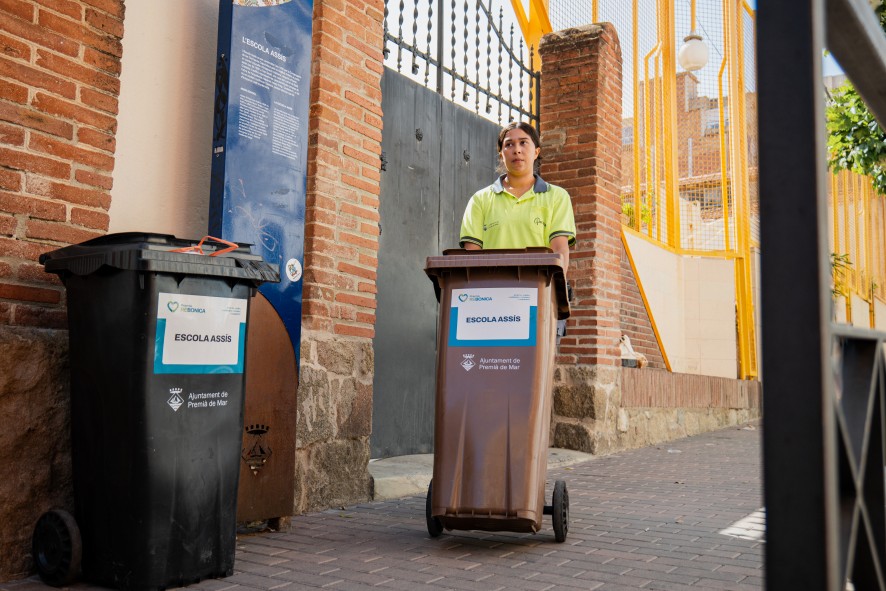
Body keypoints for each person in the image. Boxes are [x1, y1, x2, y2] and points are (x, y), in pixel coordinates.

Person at [459, 121, 576, 338]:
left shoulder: (556, 197)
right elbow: (471, 257)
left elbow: (560, 252)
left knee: (532, 369)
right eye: (509, 144)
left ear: (536, 151)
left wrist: (550, 296)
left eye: (524, 143)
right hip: (490, 304)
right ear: (501, 153)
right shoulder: (480, 200)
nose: (517, 150)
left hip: (537, 300)